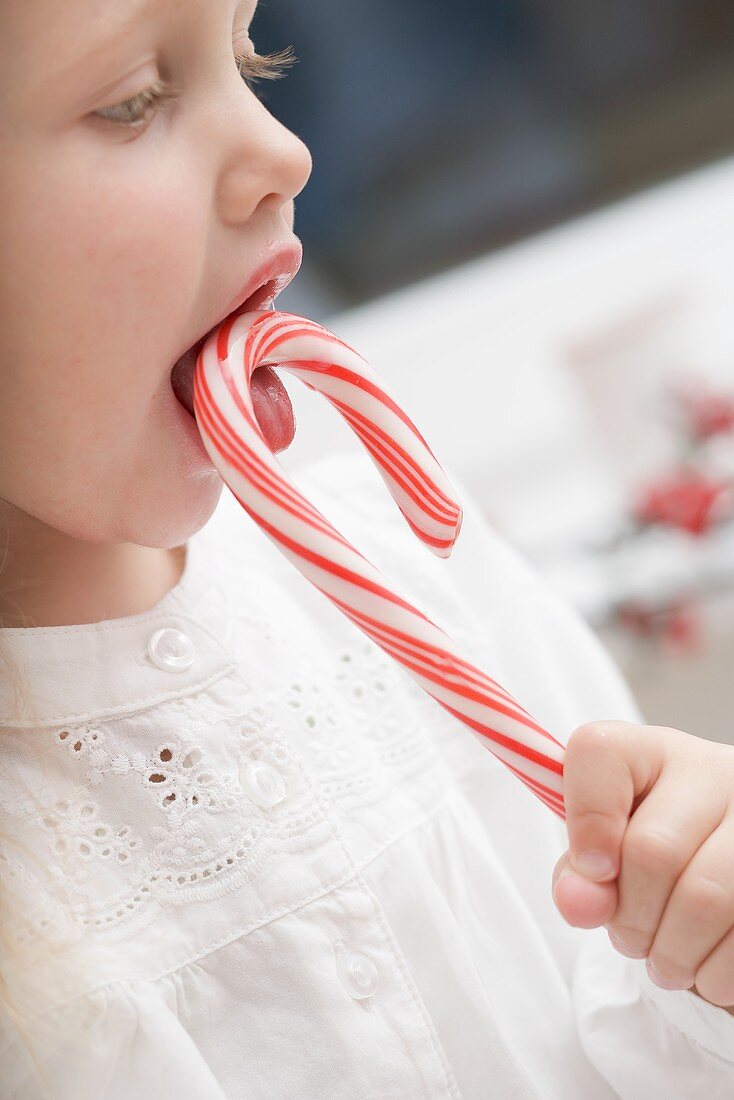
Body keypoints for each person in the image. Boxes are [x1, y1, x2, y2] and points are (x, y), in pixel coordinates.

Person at [1, 2, 734, 1097]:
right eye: (135, 99)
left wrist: (704, 959)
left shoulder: (399, 575)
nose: (284, 150)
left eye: (251, 57)